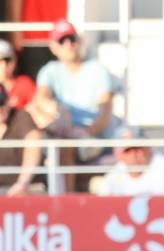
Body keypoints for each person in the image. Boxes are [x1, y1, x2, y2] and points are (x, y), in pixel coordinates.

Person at [29, 19, 118, 191]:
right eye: (62, 40)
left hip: (93, 134)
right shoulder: (50, 70)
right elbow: (40, 99)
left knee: (64, 144)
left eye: (71, 39)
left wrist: (86, 132)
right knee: (36, 116)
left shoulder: (97, 69)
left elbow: (105, 112)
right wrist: (58, 111)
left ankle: (65, 203)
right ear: (53, 47)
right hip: (64, 130)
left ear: (79, 41)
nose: (68, 44)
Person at [95, 126, 164, 196]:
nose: (134, 155)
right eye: (128, 150)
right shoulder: (118, 171)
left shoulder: (162, 167)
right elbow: (103, 195)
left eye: (138, 148)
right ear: (118, 154)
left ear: (149, 149)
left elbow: (162, 204)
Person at [0, 83, 42, 196]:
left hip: (22, 191)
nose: (1, 108)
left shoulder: (21, 116)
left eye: (2, 102)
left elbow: (34, 141)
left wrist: (22, 183)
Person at [0, 39, 35, 108]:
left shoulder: (24, 83)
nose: (4, 66)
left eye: (8, 60)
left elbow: (37, 107)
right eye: (0, 61)